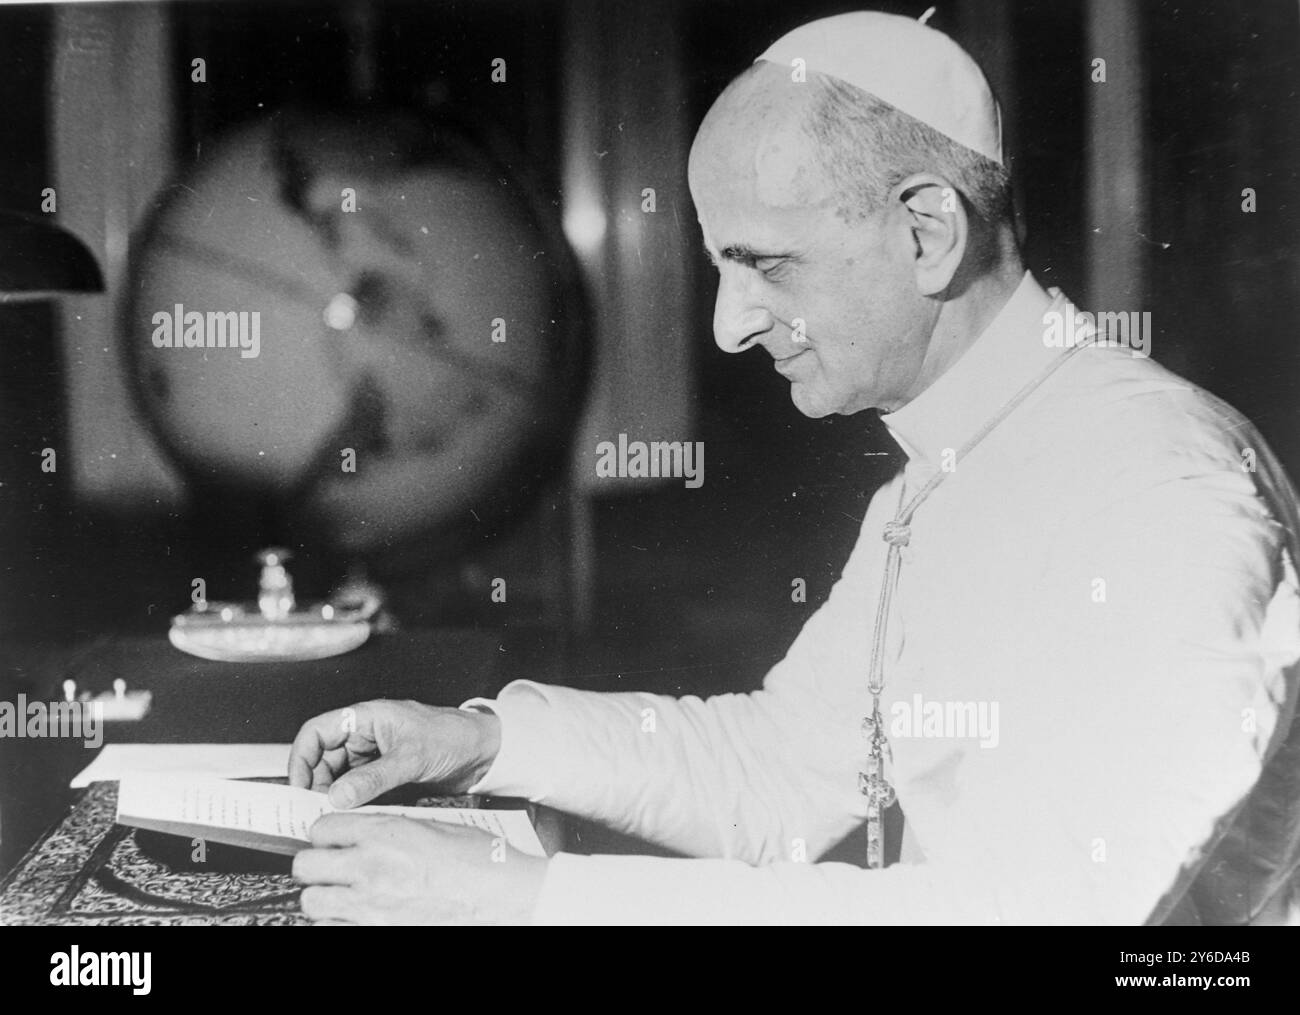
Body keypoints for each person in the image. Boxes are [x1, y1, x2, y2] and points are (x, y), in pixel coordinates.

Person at [286, 10, 1300, 925]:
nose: (729, 327)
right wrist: (488, 742)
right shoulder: (949, 464)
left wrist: (520, 898)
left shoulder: (1158, 494)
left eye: (765, 265)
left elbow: (1042, 913)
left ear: (927, 231)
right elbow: (784, 770)